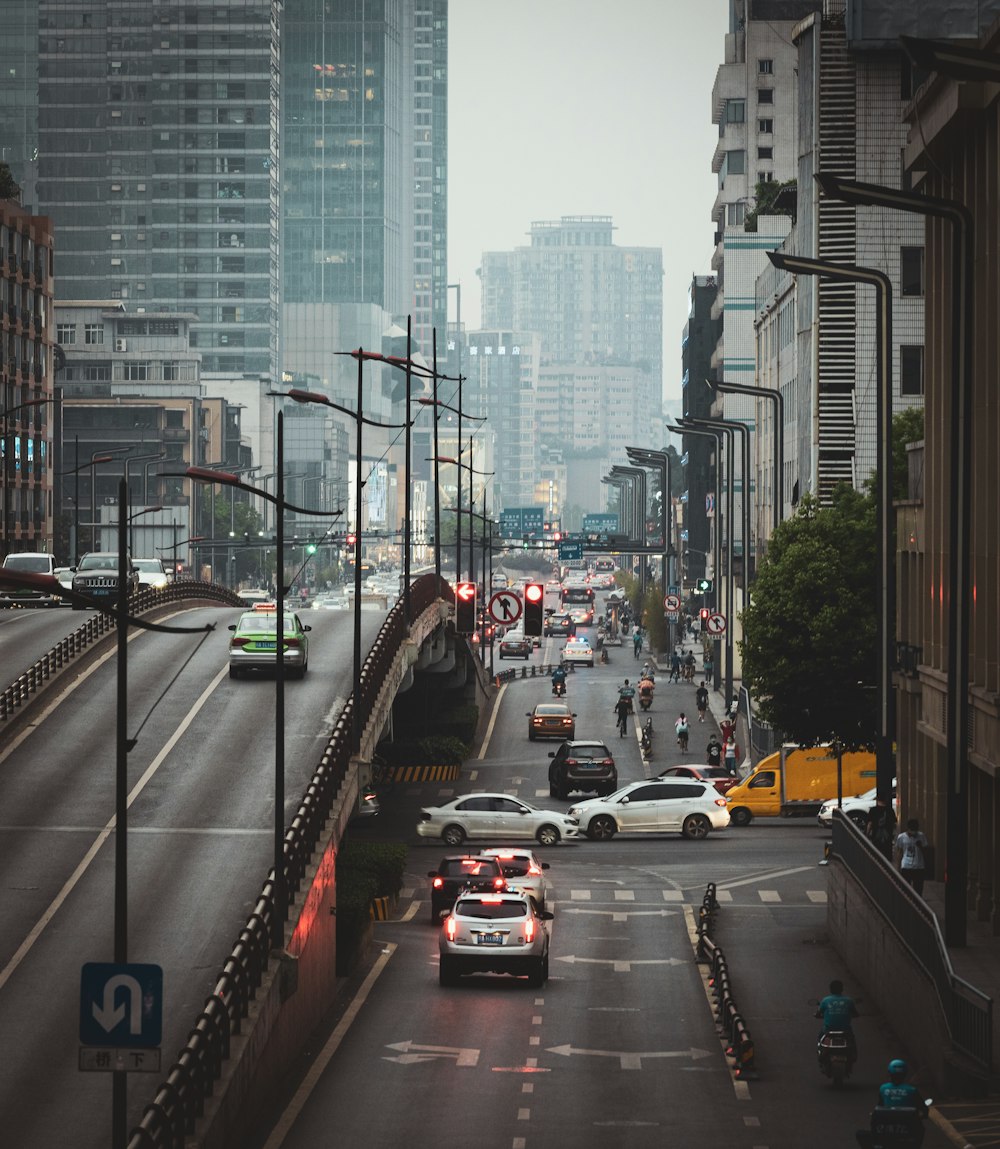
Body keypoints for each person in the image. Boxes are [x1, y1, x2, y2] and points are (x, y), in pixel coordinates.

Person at [895, 818, 929, 895]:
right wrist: (898, 868)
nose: (914, 834)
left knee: (918, 890)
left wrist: (920, 846)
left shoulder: (921, 836)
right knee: (906, 890)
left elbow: (926, 851)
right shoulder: (902, 837)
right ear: (908, 829)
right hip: (906, 866)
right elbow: (899, 852)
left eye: (915, 831)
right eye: (912, 831)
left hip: (919, 867)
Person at [866, 797, 898, 861]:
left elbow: (870, 823)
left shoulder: (873, 810)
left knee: (876, 853)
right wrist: (894, 834)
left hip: (876, 836)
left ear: (877, 800)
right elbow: (894, 824)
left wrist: (867, 833)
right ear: (885, 800)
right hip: (888, 836)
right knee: (887, 853)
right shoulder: (890, 810)